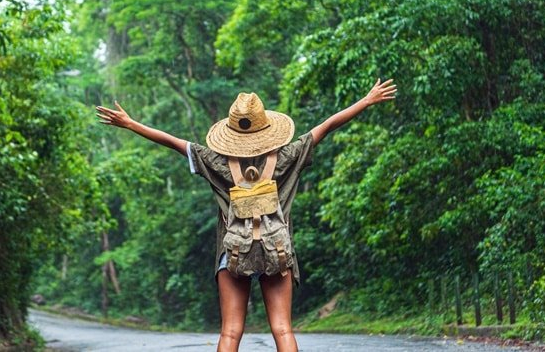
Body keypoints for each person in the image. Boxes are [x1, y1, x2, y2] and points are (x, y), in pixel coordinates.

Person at [95, 78, 397, 352]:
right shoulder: (287, 157)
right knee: (282, 329)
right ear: (266, 128)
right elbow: (327, 126)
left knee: (230, 332)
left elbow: (173, 142)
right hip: (275, 249)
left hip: (233, 252)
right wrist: (366, 100)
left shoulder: (215, 161)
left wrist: (131, 124)